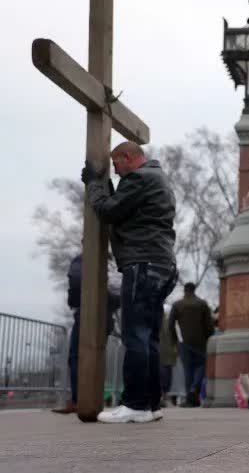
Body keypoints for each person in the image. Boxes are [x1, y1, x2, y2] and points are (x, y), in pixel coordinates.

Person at [81, 141, 177, 423]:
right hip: (161, 263)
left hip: (143, 262)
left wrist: (94, 185)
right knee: (149, 337)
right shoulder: (155, 178)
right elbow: (122, 206)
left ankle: (135, 404)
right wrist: (106, 187)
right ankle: (150, 404)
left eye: (117, 164)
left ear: (128, 157)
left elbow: (109, 211)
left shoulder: (140, 177)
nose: (116, 170)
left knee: (135, 335)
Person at [52, 253, 121, 415]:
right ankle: (93, 399)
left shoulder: (84, 259)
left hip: (87, 311)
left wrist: (75, 300)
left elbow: (76, 280)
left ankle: (79, 399)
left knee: (77, 356)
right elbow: (120, 294)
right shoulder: (114, 264)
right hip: (106, 314)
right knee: (96, 356)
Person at [168, 282, 214, 407]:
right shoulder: (202, 304)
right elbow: (209, 325)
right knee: (201, 365)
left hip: (184, 342)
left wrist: (174, 340)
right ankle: (195, 389)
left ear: (185, 290)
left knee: (188, 369)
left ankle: (190, 399)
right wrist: (208, 337)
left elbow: (170, 325)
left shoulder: (177, 305)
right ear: (194, 290)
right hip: (200, 342)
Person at [159, 308, 178, 407]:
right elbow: (175, 335)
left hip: (159, 351)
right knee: (166, 374)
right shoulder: (169, 320)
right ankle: (163, 396)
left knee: (161, 374)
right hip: (167, 351)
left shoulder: (154, 319)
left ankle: (161, 396)